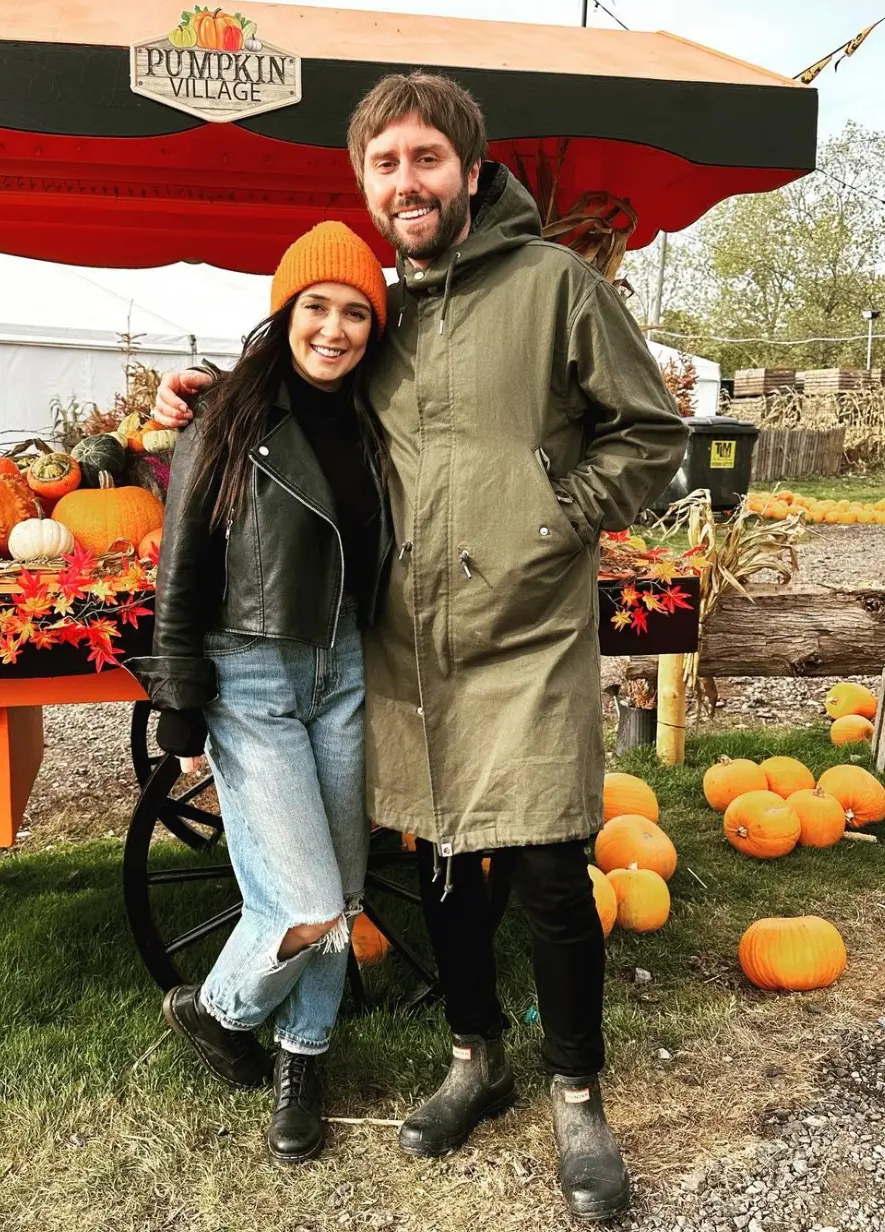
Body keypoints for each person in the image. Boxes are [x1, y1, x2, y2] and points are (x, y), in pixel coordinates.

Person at [153, 73, 687, 1220]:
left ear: (468, 170)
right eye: (384, 163)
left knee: (548, 870)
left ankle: (576, 1098)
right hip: (405, 644)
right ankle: (472, 1057)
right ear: (364, 182)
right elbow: (309, 390)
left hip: (526, 631)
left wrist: (553, 517)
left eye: (425, 159)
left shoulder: (556, 287)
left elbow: (649, 434)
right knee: (443, 861)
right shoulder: (385, 313)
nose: (406, 181)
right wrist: (206, 394)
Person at [126, 221, 392, 1166]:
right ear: (285, 312)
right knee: (306, 903)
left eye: (356, 312)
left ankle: (302, 1061)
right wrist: (181, 693)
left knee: (344, 896)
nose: (334, 329)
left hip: (346, 667)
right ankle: (218, 1010)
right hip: (251, 673)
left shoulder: (380, 415)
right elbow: (183, 562)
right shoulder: (228, 417)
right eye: (317, 306)